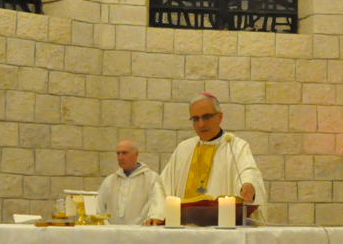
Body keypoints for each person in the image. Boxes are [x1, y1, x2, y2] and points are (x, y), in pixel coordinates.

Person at [156, 94, 266, 222]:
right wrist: (158, 214)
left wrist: (248, 185)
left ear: (220, 117)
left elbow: (248, 171)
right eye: (195, 119)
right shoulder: (184, 149)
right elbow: (163, 186)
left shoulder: (235, 145)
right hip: (183, 229)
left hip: (222, 228)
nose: (201, 124)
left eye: (206, 117)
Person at [97, 140, 165, 225]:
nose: (120, 157)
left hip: (141, 233)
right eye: (118, 153)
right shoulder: (109, 181)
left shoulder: (151, 178)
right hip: (112, 234)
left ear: (136, 155)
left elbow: (158, 203)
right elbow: (99, 209)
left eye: (124, 153)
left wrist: (155, 216)